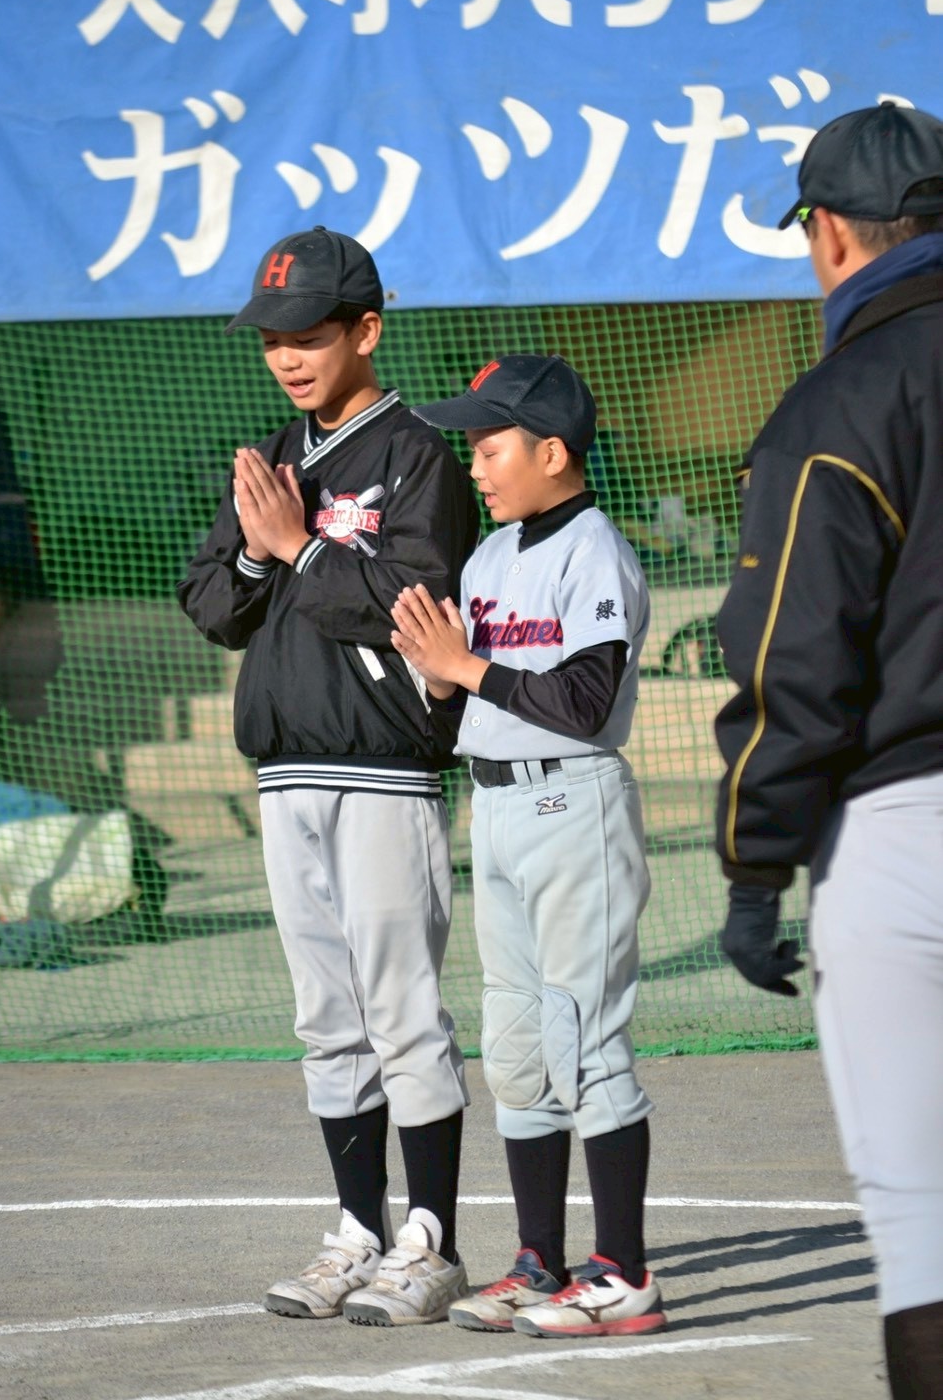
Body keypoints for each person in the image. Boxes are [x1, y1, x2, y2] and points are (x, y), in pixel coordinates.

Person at [177, 225, 479, 1327]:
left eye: (308, 334)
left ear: (366, 330)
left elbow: (416, 606)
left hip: (386, 769)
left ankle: (430, 1242)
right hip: (286, 771)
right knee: (327, 1017)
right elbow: (211, 604)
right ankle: (358, 1230)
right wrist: (260, 546)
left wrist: (302, 547)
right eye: (272, 340)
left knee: (402, 1009)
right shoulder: (270, 460)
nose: (288, 357)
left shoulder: (418, 454)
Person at [713, 102, 943, 1399]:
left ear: (836, 237)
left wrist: (755, 866)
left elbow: (793, 664)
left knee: (924, 1223)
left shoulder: (839, 399)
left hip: (906, 831)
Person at [390, 354, 667, 1339]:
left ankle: (623, 1273)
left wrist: (466, 665)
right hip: (498, 805)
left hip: (574, 802)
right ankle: (538, 1262)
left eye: (491, 444)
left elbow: (586, 701)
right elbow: (476, 693)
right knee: (515, 1048)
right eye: (471, 446)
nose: (474, 464)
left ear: (553, 452)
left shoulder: (595, 550)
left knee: (582, 1036)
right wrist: (439, 676)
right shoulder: (489, 558)